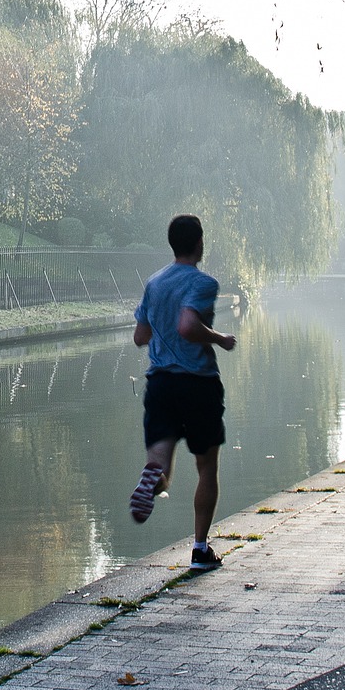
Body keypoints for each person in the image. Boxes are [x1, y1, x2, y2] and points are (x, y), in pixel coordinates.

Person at [128, 213, 236, 571]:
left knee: (159, 468)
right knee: (206, 467)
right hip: (198, 384)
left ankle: (152, 479)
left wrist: (163, 332)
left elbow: (140, 337)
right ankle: (201, 549)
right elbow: (188, 325)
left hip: (160, 384)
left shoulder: (154, 283)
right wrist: (220, 338)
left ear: (173, 243)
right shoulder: (203, 283)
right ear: (199, 243)